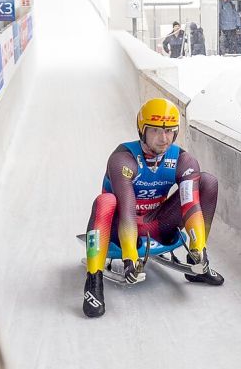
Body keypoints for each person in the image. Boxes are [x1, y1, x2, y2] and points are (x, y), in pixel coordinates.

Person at [82, 98, 223, 318]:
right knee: (105, 202)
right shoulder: (123, 159)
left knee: (207, 182)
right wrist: (129, 257)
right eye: (156, 131)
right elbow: (127, 209)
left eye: (169, 131)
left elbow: (190, 204)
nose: (163, 138)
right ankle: (93, 281)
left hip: (157, 224)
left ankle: (196, 266)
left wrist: (198, 246)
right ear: (142, 130)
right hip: (122, 228)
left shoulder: (183, 160)